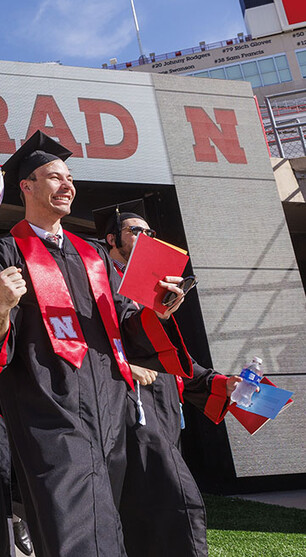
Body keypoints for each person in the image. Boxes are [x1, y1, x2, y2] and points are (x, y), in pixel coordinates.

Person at [0, 131, 194, 556]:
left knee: (115, 525)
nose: (68, 185)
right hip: (48, 411)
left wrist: (157, 311)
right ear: (26, 186)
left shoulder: (94, 256)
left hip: (109, 407)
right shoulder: (3, 253)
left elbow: (124, 323)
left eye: (70, 177)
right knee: (75, 534)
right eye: (54, 177)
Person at [93, 200, 241, 557]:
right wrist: (125, 367)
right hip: (128, 411)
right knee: (173, 504)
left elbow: (177, 362)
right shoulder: (95, 282)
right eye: (135, 231)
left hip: (165, 413)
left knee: (150, 512)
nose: (145, 236)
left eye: (150, 232)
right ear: (112, 238)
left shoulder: (151, 290)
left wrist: (223, 384)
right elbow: (87, 347)